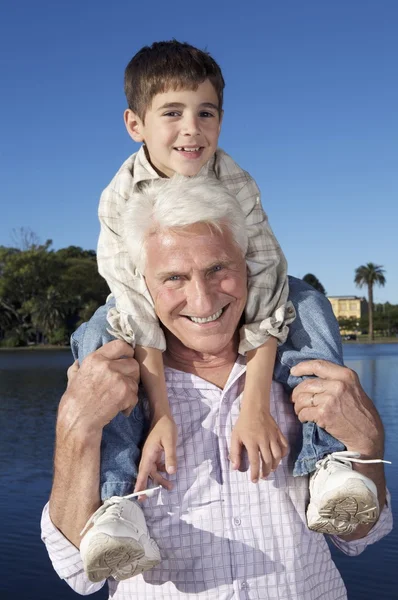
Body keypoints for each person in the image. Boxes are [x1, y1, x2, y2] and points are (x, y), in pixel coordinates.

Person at [65, 40, 389, 582]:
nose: (191, 129)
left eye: (206, 112)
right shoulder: (117, 199)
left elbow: (267, 277)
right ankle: (117, 502)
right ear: (134, 124)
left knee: (307, 299)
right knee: (96, 335)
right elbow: (138, 305)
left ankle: (327, 465)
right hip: (137, 321)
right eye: (172, 113)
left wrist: (257, 401)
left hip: (268, 327)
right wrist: (158, 410)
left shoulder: (234, 181)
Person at [41, 178, 392, 599]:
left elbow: (358, 537)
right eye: (173, 277)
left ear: (248, 264)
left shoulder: (304, 372)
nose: (203, 301)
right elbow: (78, 572)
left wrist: (369, 443)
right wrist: (74, 425)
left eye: (217, 269)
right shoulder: (112, 392)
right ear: (140, 285)